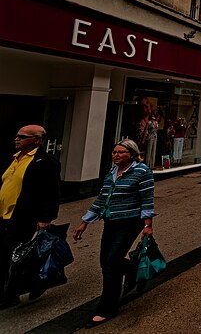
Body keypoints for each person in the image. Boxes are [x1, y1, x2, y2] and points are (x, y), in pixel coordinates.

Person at [73, 139, 155, 327]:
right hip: (111, 221)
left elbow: (147, 199)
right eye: (114, 152)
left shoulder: (142, 172)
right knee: (106, 260)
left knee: (111, 262)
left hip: (130, 221)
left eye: (121, 152)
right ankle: (133, 269)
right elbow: (102, 198)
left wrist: (147, 225)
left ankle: (107, 308)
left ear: (132, 154)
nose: (116, 155)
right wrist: (85, 221)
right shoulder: (111, 173)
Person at [0, 125, 61, 308]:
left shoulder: (45, 162)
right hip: (3, 215)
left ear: (37, 140)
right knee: (6, 255)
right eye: (17, 135)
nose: (17, 139)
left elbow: (52, 192)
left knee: (14, 256)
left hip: (23, 217)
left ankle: (10, 294)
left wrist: (46, 218)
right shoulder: (13, 158)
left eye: (22, 136)